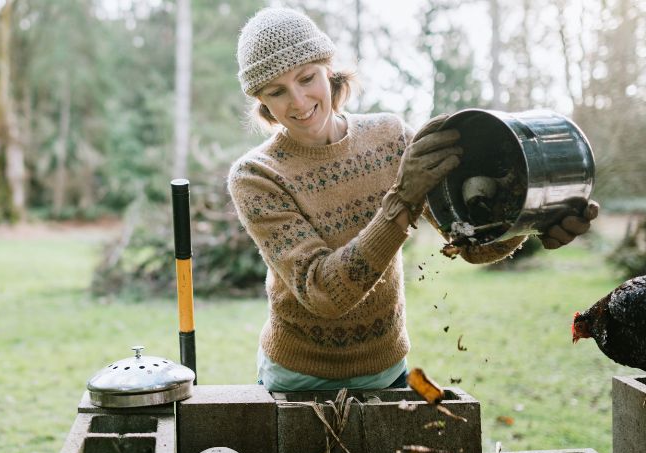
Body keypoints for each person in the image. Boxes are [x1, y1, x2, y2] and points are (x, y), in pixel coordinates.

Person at [227, 7, 598, 392]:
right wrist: (402, 200)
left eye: (307, 78)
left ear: (328, 69)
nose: (299, 100)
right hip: (297, 378)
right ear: (261, 100)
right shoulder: (256, 176)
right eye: (277, 91)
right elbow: (323, 292)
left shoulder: (391, 138)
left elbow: (468, 243)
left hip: (387, 370)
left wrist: (524, 217)